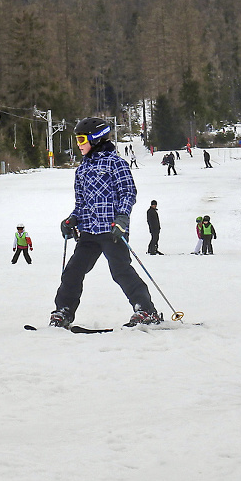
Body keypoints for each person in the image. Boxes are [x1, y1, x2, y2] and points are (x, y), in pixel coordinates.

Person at [51, 118, 161, 329]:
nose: (79, 144)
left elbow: (128, 193)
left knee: (120, 270)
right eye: (77, 139)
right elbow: (81, 203)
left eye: (82, 139)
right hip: (88, 233)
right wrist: (72, 219)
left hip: (112, 231)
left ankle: (146, 310)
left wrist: (122, 218)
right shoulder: (81, 170)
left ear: (95, 138)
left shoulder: (115, 163)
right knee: (73, 271)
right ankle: (63, 311)